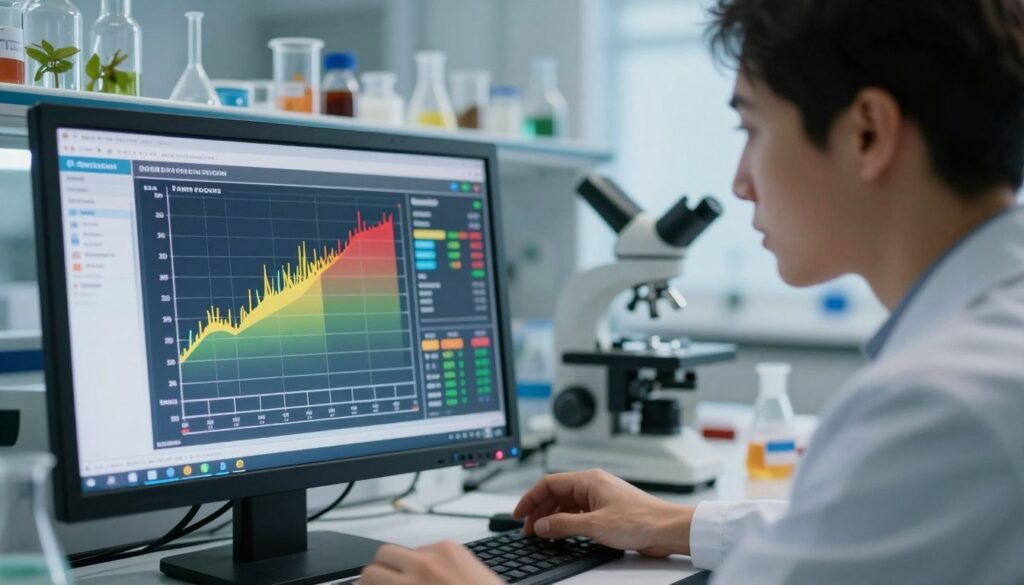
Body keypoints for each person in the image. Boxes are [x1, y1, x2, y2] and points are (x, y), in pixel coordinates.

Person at [358, 0, 1024, 583]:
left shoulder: (939, 403)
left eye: (752, 129)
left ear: (867, 133)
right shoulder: (987, 350)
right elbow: (863, 533)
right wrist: (670, 520)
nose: (740, 181)